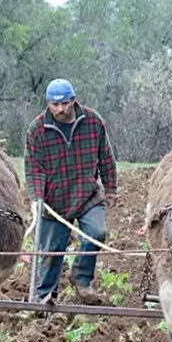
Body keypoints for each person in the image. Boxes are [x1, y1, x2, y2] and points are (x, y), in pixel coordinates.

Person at [25, 78, 118, 305]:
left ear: (73, 100)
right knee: (51, 251)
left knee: (96, 233)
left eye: (65, 103)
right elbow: (34, 169)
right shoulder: (37, 130)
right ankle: (45, 295)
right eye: (54, 104)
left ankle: (82, 279)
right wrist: (37, 198)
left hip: (88, 196)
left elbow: (106, 157)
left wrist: (111, 188)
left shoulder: (93, 121)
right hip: (54, 201)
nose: (60, 109)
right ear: (47, 103)